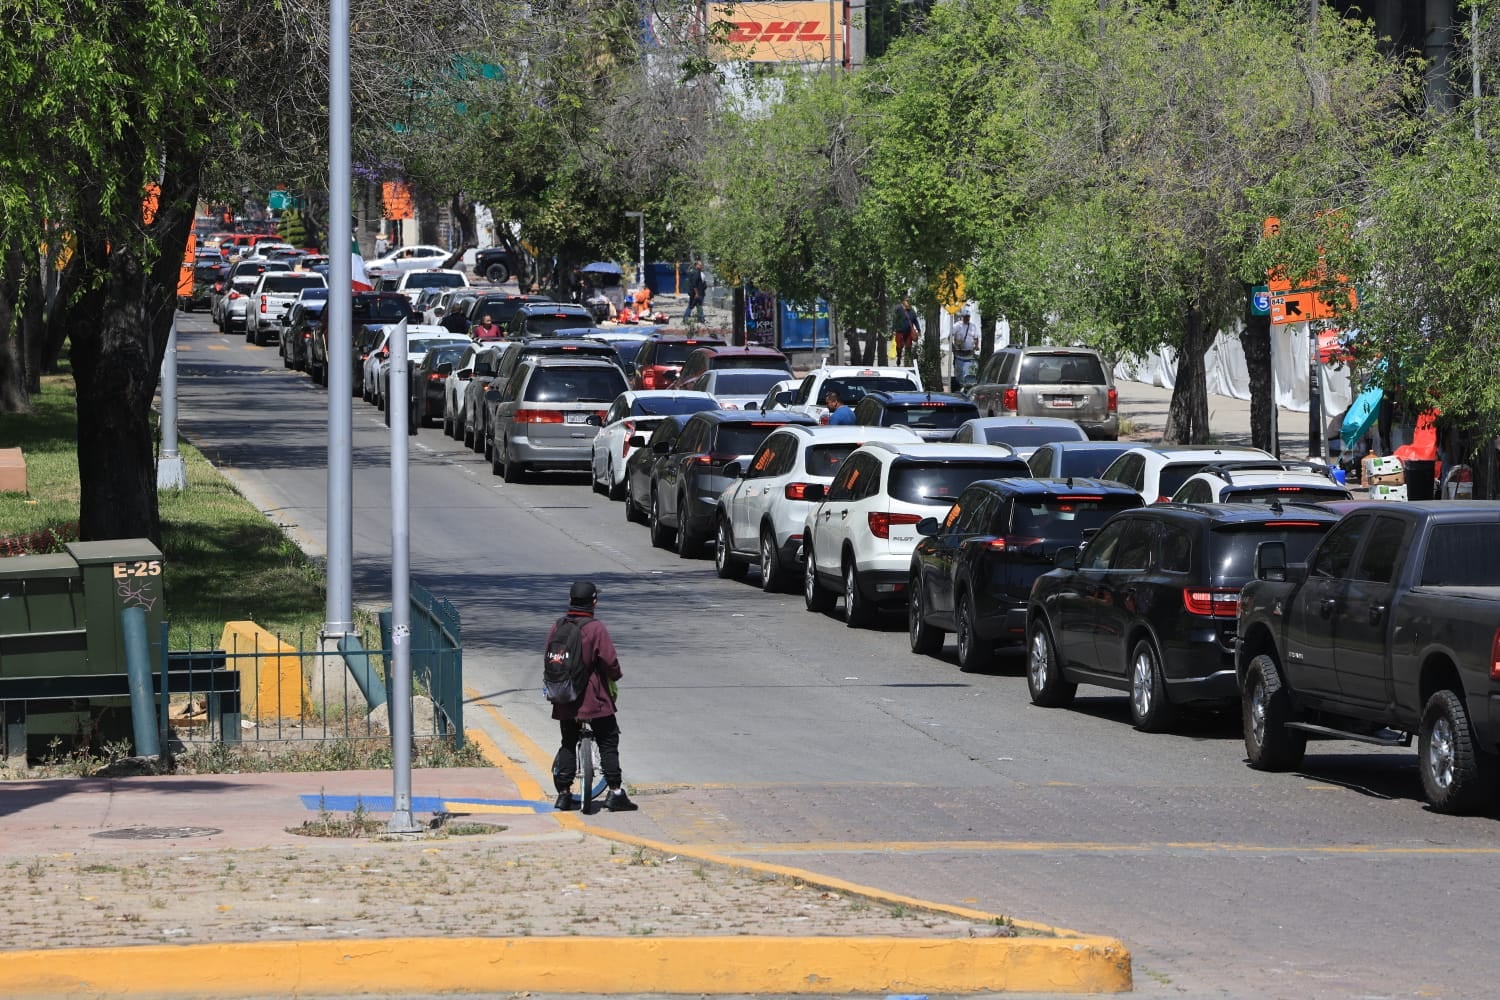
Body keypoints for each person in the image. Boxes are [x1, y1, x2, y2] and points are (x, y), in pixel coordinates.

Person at [548, 581, 636, 812]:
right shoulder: (596, 628)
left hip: (565, 697)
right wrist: (615, 676)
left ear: (570, 601)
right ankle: (616, 792)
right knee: (608, 739)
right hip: (592, 698)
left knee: (568, 741)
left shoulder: (558, 626)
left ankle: (564, 795)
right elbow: (609, 662)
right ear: (594, 602)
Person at [950, 310, 978, 391]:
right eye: (965, 317)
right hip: (959, 354)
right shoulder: (957, 326)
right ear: (962, 317)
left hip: (969, 353)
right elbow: (950, 336)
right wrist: (953, 348)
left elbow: (976, 337)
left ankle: (967, 388)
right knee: (959, 373)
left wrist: (976, 346)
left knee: (969, 373)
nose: (967, 318)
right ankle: (958, 389)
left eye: (968, 317)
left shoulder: (973, 326)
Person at [892, 297, 919, 366]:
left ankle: (907, 361)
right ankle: (899, 357)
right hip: (900, 331)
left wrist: (919, 329)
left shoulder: (912, 311)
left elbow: (915, 321)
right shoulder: (899, 310)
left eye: (909, 301)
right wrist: (893, 329)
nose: (908, 302)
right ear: (903, 302)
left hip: (908, 333)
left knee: (908, 347)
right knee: (899, 346)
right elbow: (895, 320)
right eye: (907, 301)